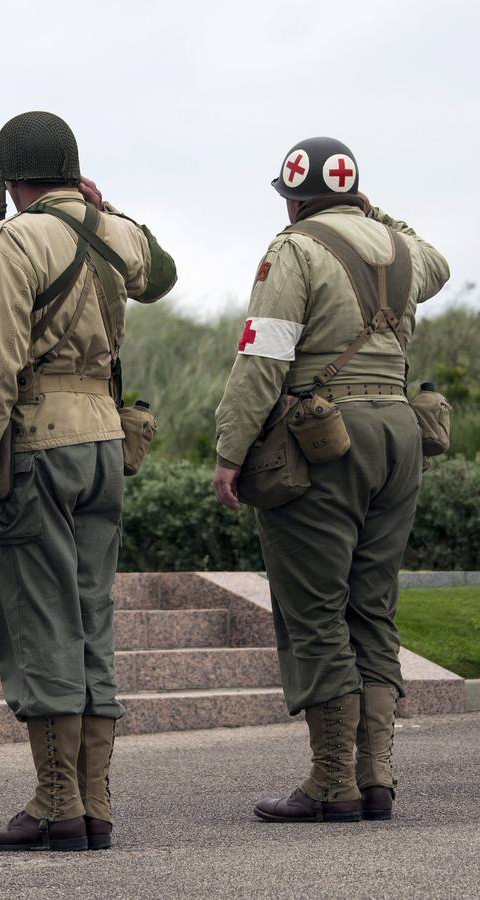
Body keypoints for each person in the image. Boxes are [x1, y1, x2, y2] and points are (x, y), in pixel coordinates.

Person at [0, 111, 176, 852]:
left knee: (38, 618)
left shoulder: (12, 239)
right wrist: (104, 208)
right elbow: (164, 274)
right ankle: (94, 801)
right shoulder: (113, 234)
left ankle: (56, 801)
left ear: (9, 181)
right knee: (89, 614)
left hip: (36, 444)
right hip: (105, 441)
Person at [212, 136, 450, 823]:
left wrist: (230, 451)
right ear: (354, 194)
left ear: (292, 196)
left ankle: (329, 782)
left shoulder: (292, 248)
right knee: (371, 608)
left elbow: (263, 355)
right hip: (398, 433)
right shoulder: (401, 250)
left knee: (314, 610)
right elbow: (432, 255)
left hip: (322, 439)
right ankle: (376, 777)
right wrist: (377, 215)